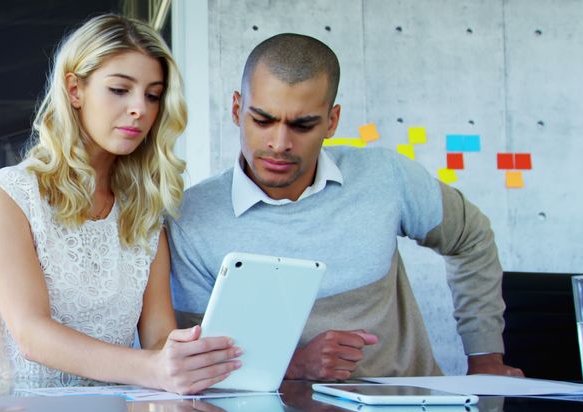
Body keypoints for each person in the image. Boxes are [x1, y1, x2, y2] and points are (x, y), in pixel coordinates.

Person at [168, 33, 523, 381]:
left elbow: (471, 238)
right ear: (236, 109)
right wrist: (294, 365)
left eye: (303, 125)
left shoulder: (386, 176)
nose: (279, 143)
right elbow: (196, 362)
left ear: (332, 121)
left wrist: (486, 358)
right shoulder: (192, 218)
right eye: (262, 120)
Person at [0, 14, 242, 397]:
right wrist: (153, 368)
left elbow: (159, 336)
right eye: (121, 90)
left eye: (153, 94)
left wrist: (184, 361)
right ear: (75, 89)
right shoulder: (6, 196)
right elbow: (32, 335)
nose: (140, 108)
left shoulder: (143, 213)